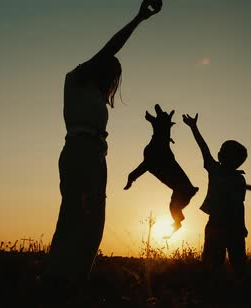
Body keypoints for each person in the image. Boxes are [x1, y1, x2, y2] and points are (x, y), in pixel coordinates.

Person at [45, 0, 163, 288]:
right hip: (78, 150)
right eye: (110, 73)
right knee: (73, 214)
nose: (112, 81)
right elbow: (109, 48)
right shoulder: (74, 80)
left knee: (94, 220)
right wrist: (138, 20)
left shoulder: (96, 97)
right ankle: (56, 278)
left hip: (97, 154)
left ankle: (76, 280)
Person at [182, 113, 249, 276]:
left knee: (213, 264)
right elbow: (240, 206)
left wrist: (194, 128)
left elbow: (203, 149)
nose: (218, 153)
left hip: (218, 224)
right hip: (232, 226)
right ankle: (238, 292)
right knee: (236, 263)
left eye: (221, 151)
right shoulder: (238, 178)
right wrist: (242, 226)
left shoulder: (217, 171)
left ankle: (213, 291)